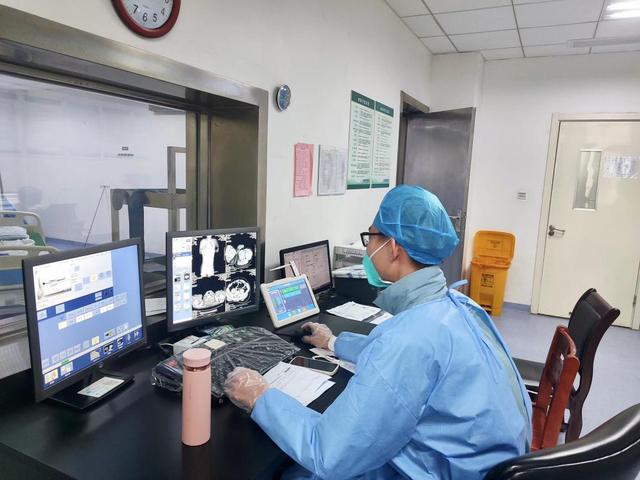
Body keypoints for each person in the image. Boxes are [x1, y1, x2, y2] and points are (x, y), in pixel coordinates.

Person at [224, 185, 532, 480]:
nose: (368, 247)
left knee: (290, 472)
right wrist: (333, 341)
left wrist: (260, 397)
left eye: (370, 237)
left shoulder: (409, 339)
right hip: (486, 465)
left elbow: (328, 454)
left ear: (393, 248)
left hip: (441, 472)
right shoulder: (457, 305)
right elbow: (400, 356)